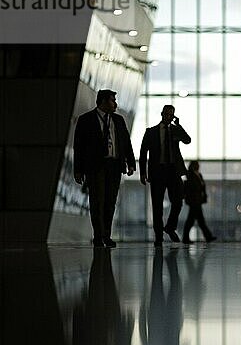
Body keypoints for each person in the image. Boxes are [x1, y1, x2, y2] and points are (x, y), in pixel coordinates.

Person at [74, 89, 135, 248]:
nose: (115, 104)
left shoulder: (118, 120)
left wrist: (131, 162)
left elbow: (126, 143)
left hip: (115, 165)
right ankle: (98, 236)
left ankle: (106, 235)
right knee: (97, 201)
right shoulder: (86, 120)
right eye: (112, 100)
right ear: (103, 102)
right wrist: (78, 170)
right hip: (95, 166)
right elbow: (78, 147)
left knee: (110, 202)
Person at [139, 105, 192, 247]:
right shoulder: (151, 132)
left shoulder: (175, 130)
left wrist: (179, 126)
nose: (169, 117)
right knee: (157, 205)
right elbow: (143, 153)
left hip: (174, 171)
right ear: (162, 114)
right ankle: (158, 237)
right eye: (167, 114)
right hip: (157, 172)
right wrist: (142, 172)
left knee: (178, 200)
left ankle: (170, 227)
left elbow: (188, 140)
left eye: (171, 115)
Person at [182, 160, 216, 242]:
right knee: (196, 220)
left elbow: (201, 186)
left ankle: (207, 236)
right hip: (194, 200)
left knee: (196, 220)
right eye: (197, 165)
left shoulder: (198, 174)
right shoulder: (191, 175)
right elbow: (192, 187)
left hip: (197, 200)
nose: (198, 166)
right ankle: (207, 236)